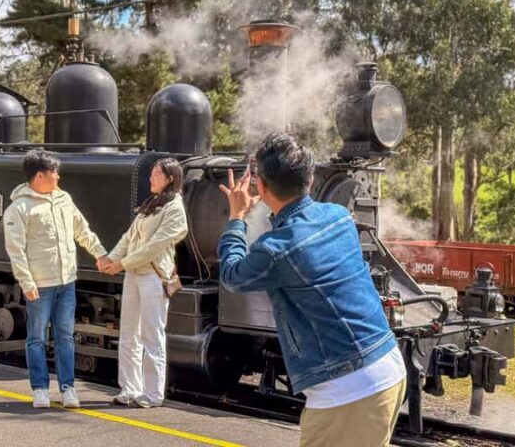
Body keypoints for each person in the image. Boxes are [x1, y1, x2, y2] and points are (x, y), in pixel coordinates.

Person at [217, 133, 406, 447]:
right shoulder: (339, 217)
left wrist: (237, 218)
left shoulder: (277, 249)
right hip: (386, 365)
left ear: (260, 187)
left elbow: (233, 275)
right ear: (311, 177)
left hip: (348, 390)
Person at [4, 150, 109, 409]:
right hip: (40, 284)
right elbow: (15, 250)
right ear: (40, 175)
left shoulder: (64, 199)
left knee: (66, 336)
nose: (58, 176)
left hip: (66, 282)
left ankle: (67, 388)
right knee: (37, 337)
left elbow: (81, 229)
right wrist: (26, 282)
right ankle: (40, 389)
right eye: (54, 173)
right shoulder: (19, 208)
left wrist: (100, 254)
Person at [100, 158, 188, 408]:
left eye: (156, 174)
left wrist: (121, 264)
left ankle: (152, 393)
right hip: (134, 274)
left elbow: (155, 246)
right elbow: (129, 237)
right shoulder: (152, 204)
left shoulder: (174, 209)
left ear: (170, 178)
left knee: (152, 334)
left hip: (153, 275)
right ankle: (129, 388)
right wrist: (110, 258)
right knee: (129, 333)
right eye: (151, 174)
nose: (151, 178)